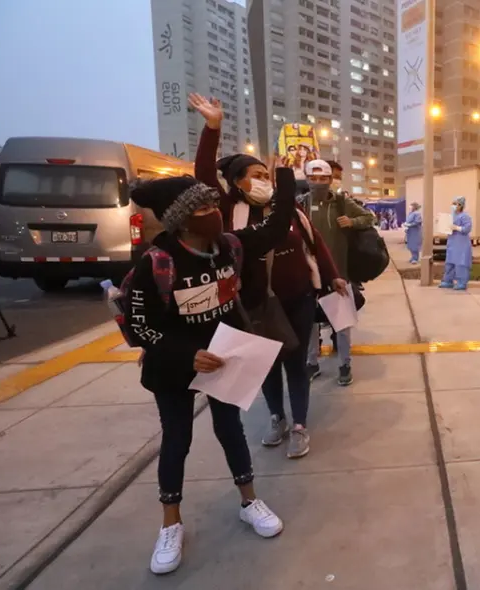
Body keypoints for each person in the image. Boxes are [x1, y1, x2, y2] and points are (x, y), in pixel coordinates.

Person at [126, 166, 297, 575]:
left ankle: (248, 501)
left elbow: (274, 229)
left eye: (210, 202)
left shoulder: (229, 247)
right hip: (174, 367)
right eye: (201, 206)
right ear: (181, 218)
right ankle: (171, 524)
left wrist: (288, 175)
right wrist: (185, 355)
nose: (213, 209)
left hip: (224, 359)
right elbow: (139, 325)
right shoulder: (157, 263)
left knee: (230, 430)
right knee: (177, 439)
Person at [190, 94, 349, 456]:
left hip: (298, 300)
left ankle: (299, 426)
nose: (264, 181)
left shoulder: (286, 208)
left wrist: (332, 275)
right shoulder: (228, 210)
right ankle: (276, 417)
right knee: (266, 366)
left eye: (267, 175)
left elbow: (314, 241)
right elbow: (202, 176)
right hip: (255, 305)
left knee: (296, 364)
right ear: (236, 183)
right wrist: (212, 127)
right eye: (256, 176)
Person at [304, 159, 375, 386]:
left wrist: (352, 221)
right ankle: (312, 363)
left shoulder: (341, 202)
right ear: (306, 179)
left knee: (342, 325)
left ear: (331, 180)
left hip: (339, 273)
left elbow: (368, 217)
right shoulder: (300, 205)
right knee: (310, 325)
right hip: (309, 276)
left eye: (323, 179)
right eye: (313, 179)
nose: (318, 183)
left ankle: (345, 364)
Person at [440, 196, 473, 290]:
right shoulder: (452, 216)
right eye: (453, 203)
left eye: (456, 204)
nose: (453, 206)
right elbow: (447, 226)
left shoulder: (465, 216)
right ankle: (448, 281)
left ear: (461, 205)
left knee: (461, 263)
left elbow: (467, 228)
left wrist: (457, 228)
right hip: (452, 242)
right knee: (450, 262)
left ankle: (461, 282)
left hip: (461, 243)